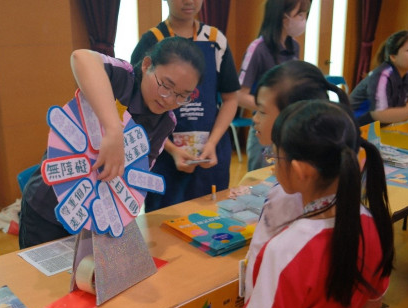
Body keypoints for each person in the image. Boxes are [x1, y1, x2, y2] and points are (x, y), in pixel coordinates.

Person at [19, 37, 205, 249]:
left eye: (182, 95)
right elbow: (81, 58)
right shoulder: (122, 78)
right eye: (165, 85)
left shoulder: (166, 122)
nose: (169, 99)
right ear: (146, 65)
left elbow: (136, 178)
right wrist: (114, 130)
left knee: (84, 279)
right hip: (48, 208)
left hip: (94, 218)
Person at [241, 100, 394, 308]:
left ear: (302, 171)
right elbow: (375, 298)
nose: (272, 163)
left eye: (275, 155)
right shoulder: (373, 223)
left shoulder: (284, 251)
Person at [130, 0, 240, 212]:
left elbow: (230, 99)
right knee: (164, 223)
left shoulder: (217, 40)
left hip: (210, 154)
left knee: (212, 218)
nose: (189, 1)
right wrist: (169, 148)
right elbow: (136, 105)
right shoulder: (152, 40)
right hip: (162, 156)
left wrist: (212, 142)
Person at [238, 0, 311, 171]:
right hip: (264, 131)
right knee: (261, 184)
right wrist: (272, 108)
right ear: (282, 16)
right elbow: (239, 95)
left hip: (288, 129)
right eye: (298, 14)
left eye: (304, 14)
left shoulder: (295, 46)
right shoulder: (258, 48)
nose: (303, 19)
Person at [350, 30, 408, 127]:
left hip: (375, 130)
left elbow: (399, 107)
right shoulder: (382, 76)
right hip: (352, 128)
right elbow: (380, 114)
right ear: (393, 57)